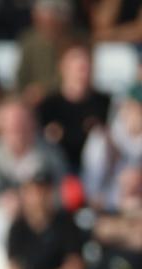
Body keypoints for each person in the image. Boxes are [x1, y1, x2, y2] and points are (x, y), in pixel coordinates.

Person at [0, 99, 68, 214]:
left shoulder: (51, 152)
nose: (18, 130)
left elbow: (64, 189)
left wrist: (44, 200)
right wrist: (4, 204)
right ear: (1, 127)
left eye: (22, 124)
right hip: (6, 215)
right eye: (12, 126)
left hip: (46, 214)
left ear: (33, 124)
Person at [36, 43, 110, 173]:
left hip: (95, 172)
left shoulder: (105, 103)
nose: (83, 74)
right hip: (56, 171)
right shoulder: (48, 106)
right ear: (63, 68)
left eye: (87, 68)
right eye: (79, 69)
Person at [6, 165, 87, 269]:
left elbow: (75, 265)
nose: (38, 198)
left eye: (42, 191)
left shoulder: (65, 223)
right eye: (32, 192)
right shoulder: (18, 228)